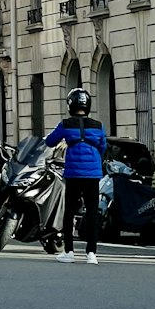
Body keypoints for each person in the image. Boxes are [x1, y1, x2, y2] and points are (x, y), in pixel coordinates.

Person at [45, 87, 106, 264]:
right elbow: (103, 146)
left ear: (70, 104)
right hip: (93, 174)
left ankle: (69, 251)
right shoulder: (98, 125)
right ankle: (91, 254)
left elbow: (50, 141)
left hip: (72, 174)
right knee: (92, 213)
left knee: (69, 212)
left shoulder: (65, 124)